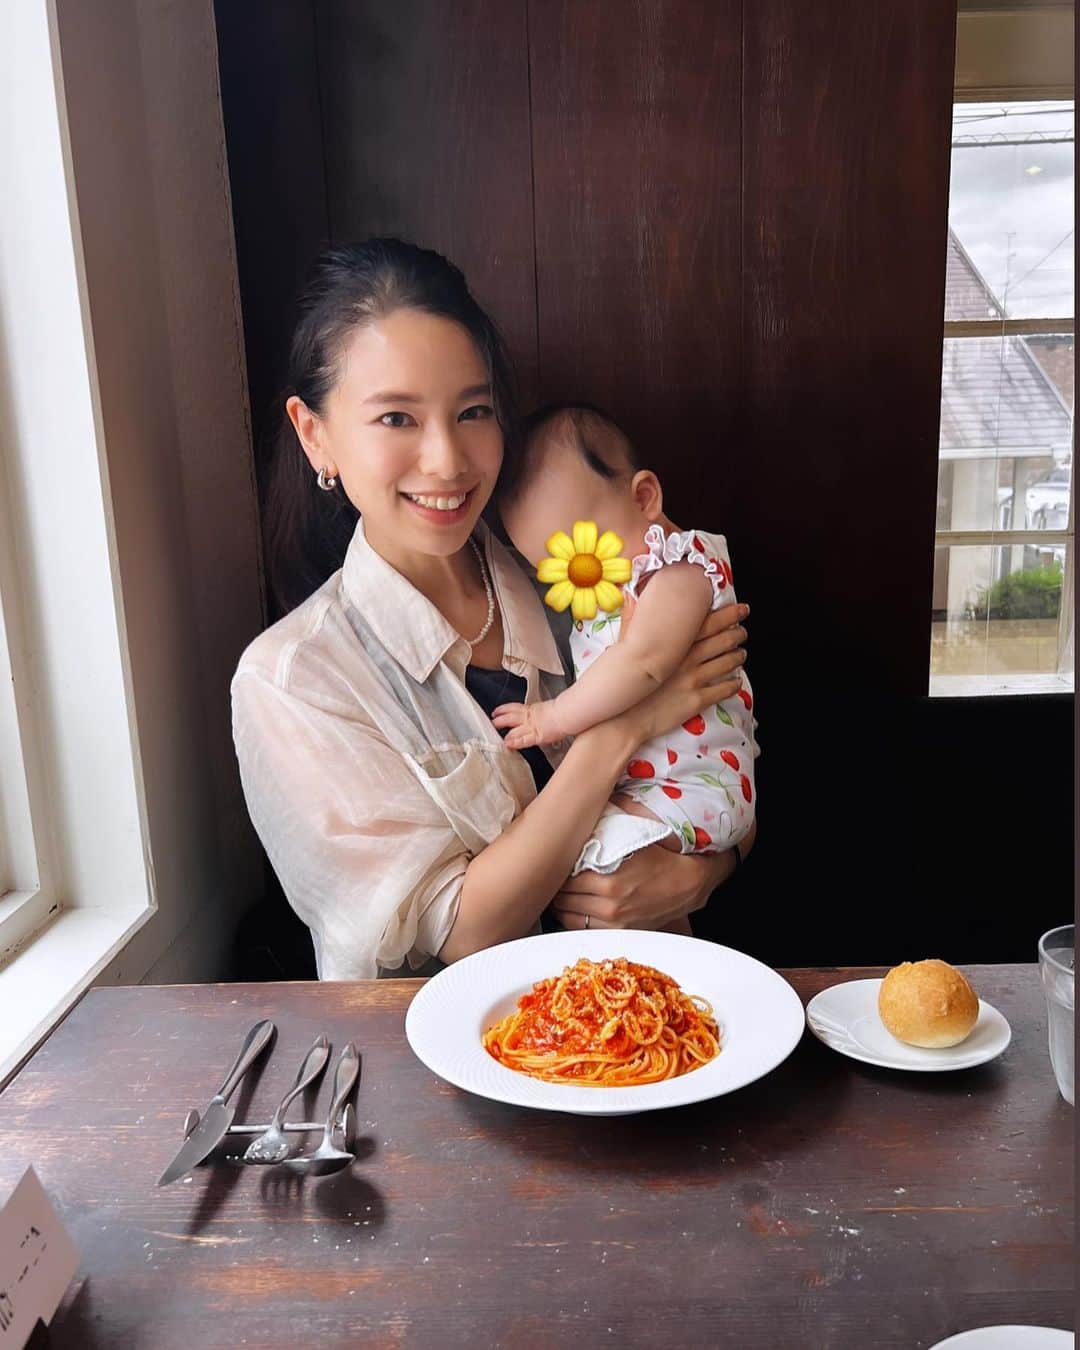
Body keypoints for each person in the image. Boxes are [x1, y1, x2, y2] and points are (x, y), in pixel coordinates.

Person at [231, 238, 753, 981]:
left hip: (644, 1028)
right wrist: (622, 727)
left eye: (472, 411)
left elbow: (722, 741)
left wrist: (706, 870)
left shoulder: (576, 563)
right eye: (396, 419)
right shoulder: (294, 680)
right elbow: (465, 931)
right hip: (438, 1072)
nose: (447, 459)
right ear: (316, 434)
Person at [495, 405, 758, 934]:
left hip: (692, 786)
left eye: (577, 555)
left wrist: (554, 717)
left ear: (643, 498)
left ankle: (658, 990)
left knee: (604, 867)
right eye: (549, 569)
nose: (575, 580)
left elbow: (644, 663)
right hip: (654, 785)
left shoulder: (680, 570)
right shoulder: (613, 586)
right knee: (607, 878)